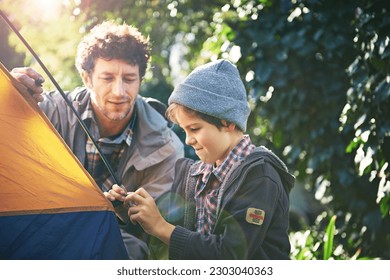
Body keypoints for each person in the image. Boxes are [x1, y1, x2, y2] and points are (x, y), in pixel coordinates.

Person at [11, 21, 184, 259]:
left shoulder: (166, 148)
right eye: (108, 78)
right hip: (42, 237)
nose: (119, 92)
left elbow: (149, 237)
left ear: (141, 80)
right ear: (87, 78)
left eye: (130, 79)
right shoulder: (48, 112)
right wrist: (10, 97)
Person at [107, 59, 295, 259]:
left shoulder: (259, 175)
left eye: (194, 129)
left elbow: (231, 255)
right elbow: (175, 241)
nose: (188, 140)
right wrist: (131, 214)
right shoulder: (194, 175)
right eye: (184, 130)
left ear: (227, 121)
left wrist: (161, 227)